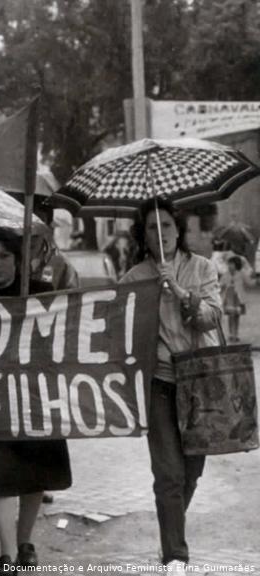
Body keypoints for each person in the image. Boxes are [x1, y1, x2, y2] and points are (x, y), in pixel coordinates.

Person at [121, 198, 222, 574]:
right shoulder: (133, 278)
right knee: (169, 474)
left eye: (165, 224)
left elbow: (211, 318)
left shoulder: (203, 268)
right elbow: (118, 328)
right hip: (159, 384)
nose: (159, 232)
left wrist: (180, 292)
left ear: (177, 230)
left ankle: (171, 526)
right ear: (143, 236)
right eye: (151, 227)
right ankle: (175, 556)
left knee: (191, 473)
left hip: (200, 385)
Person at [0, 226, 72, 572]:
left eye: (4, 255)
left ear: (18, 259)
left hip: (36, 396)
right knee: (0, 474)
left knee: (35, 472)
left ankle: (25, 541)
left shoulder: (43, 293)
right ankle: (7, 551)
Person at [29, 222, 79, 290]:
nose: (31, 237)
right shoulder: (13, 258)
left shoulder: (60, 261)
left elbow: (73, 295)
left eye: (36, 233)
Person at [221, 254, 252, 342]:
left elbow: (249, 282)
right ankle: (231, 334)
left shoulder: (241, 274)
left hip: (239, 299)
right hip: (229, 299)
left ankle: (236, 334)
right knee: (230, 317)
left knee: (236, 317)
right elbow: (220, 285)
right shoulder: (225, 275)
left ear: (237, 265)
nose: (230, 266)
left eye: (232, 264)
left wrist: (253, 278)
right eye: (229, 264)